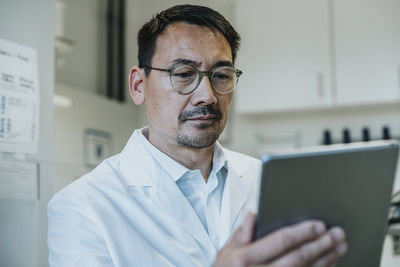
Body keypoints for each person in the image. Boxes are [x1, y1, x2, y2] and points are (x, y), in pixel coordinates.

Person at [47, 4, 347, 267]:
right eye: (183, 74)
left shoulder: (266, 180)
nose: (207, 95)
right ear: (139, 85)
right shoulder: (82, 206)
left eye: (221, 75)